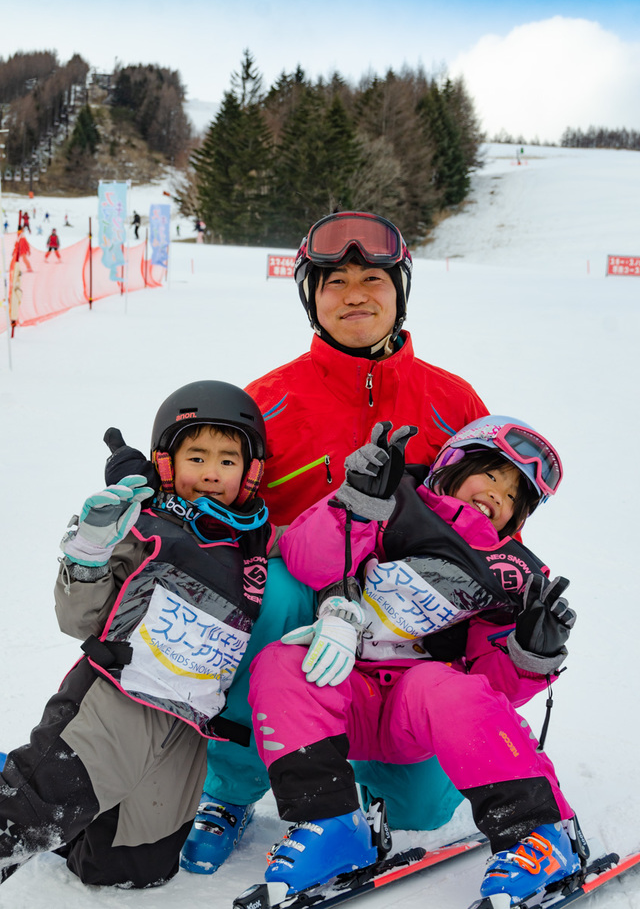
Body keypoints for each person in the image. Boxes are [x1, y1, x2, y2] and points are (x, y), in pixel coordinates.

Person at [103, 212, 489, 876]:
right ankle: (231, 786)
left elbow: (493, 534)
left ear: (400, 291)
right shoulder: (269, 402)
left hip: (403, 624)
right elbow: (206, 512)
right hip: (297, 606)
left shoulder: (454, 403)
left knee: (420, 812)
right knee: (265, 588)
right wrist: (154, 489)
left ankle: (365, 774)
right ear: (311, 295)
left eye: (373, 278)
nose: (356, 294)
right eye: (334, 281)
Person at [250, 415, 580, 907]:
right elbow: (309, 560)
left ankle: (538, 834)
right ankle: (331, 823)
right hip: (345, 689)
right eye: (491, 474)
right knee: (283, 664)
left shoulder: (514, 573)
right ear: (454, 461)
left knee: (448, 688)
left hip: (418, 711)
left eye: (515, 495)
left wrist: (531, 654)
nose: (499, 495)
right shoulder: (392, 498)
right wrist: (356, 505)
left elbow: (494, 687)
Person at [0, 381, 288, 889]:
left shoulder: (258, 544)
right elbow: (78, 620)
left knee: (132, 871)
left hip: (186, 728)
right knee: (27, 818)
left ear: (251, 472)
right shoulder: (145, 525)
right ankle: (26, 784)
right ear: (167, 465)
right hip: (117, 701)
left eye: (227, 460)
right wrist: (90, 550)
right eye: (196, 456)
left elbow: (327, 549)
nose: (211, 473)